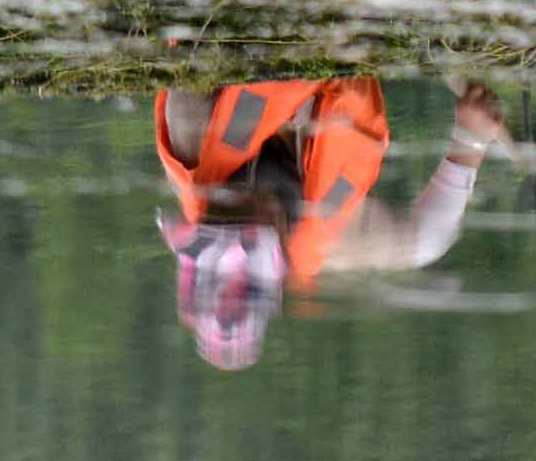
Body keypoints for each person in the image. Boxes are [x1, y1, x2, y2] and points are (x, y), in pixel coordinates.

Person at [152, 76, 510, 369]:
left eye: (215, 219)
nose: (232, 200)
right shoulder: (331, 237)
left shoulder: (190, 127)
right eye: (241, 221)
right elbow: (428, 239)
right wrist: (471, 139)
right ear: (277, 250)